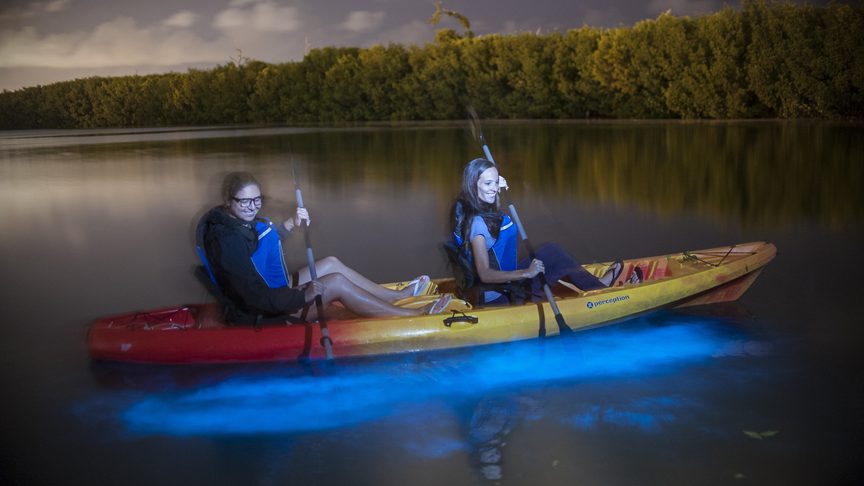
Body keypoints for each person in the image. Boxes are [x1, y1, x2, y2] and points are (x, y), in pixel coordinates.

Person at [200, 171, 450, 324]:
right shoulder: (225, 241)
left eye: (257, 200)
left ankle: (397, 297)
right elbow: (252, 294)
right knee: (335, 283)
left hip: (274, 291)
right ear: (227, 200)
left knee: (330, 263)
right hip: (262, 312)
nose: (253, 207)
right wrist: (304, 295)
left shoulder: (235, 222)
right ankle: (414, 317)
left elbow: (260, 250)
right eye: (245, 201)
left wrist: (290, 224)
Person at [450, 158, 639, 305]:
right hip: (500, 295)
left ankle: (597, 285)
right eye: (487, 184)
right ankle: (603, 292)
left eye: (495, 182)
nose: (493, 188)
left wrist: (498, 189)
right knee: (554, 256)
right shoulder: (477, 224)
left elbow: (496, 222)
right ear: (473, 186)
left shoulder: (476, 208)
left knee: (551, 251)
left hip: (503, 285)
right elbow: (485, 274)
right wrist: (526, 273)